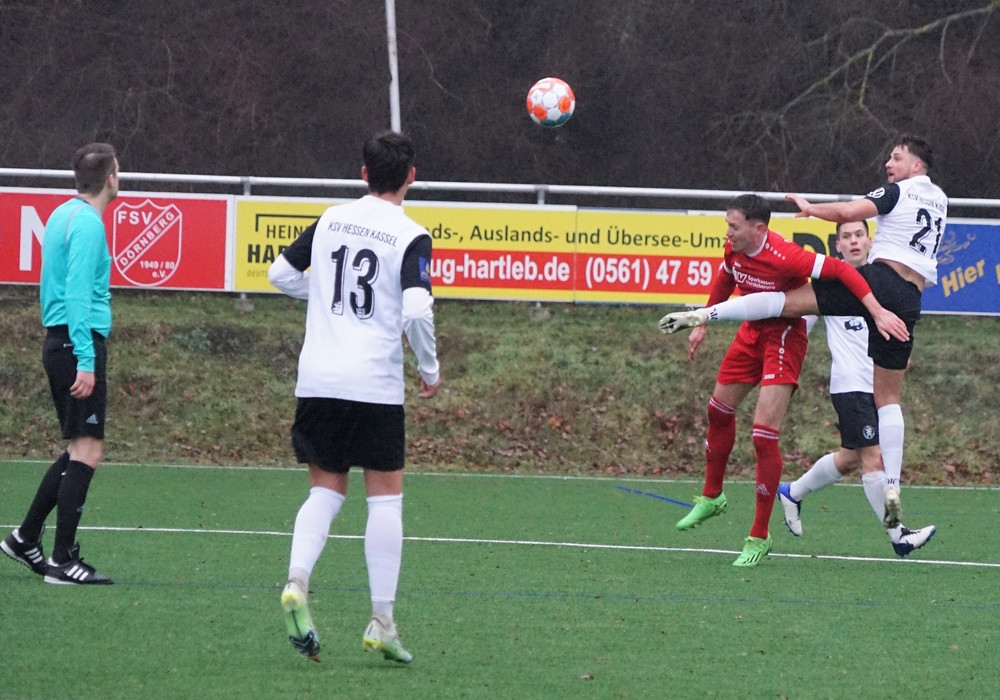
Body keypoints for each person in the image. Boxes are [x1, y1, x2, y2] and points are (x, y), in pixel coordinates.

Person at [661, 134, 947, 530]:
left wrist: (812, 209)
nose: (888, 164)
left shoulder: (897, 192)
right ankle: (893, 486)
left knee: (786, 302)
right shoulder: (940, 199)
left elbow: (849, 210)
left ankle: (706, 315)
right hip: (911, 298)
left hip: (881, 282)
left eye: (896, 158)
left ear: (916, 166)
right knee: (889, 401)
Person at [268, 131, 441, 664]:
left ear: (364, 173)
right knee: (385, 499)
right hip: (373, 385)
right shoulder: (411, 235)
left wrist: (322, 297)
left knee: (325, 492)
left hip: (318, 380)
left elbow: (279, 274)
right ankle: (382, 621)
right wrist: (429, 368)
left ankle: (297, 581)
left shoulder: (330, 220)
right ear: (411, 177)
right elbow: (416, 310)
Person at [670, 194, 903, 567]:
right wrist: (702, 324)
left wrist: (876, 310)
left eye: (734, 226)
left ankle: (759, 535)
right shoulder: (734, 248)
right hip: (751, 333)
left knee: (762, 435)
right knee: (718, 410)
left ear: (758, 228)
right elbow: (726, 277)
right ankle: (712, 496)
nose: (728, 232)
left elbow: (841, 271)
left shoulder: (785, 255)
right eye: (728, 225)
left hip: (783, 337)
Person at [776, 220, 936, 556]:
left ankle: (792, 492)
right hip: (850, 387)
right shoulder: (830, 284)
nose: (853, 241)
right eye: (846, 237)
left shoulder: (882, 281)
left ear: (869, 240)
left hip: (879, 386)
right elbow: (796, 319)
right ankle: (899, 536)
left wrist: (899, 355)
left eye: (858, 235)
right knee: (873, 459)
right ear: (837, 245)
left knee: (850, 459)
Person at [1, 143, 119, 585]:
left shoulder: (61, 215)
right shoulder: (87, 224)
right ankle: (62, 560)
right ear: (110, 178)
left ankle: (25, 538)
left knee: (76, 448)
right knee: (88, 450)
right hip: (75, 344)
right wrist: (86, 359)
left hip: (60, 342)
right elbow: (76, 295)